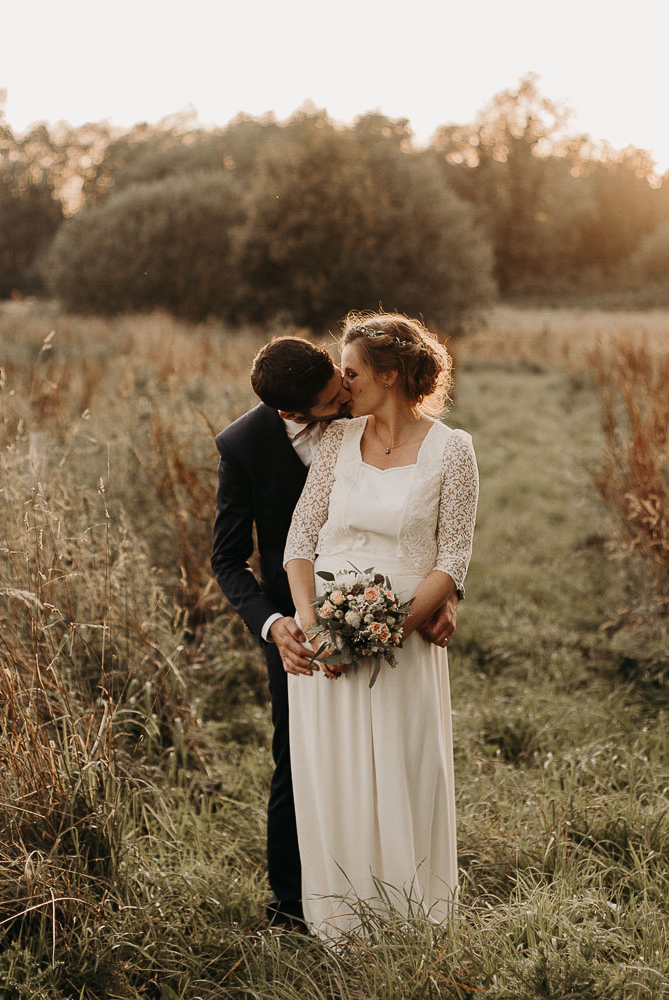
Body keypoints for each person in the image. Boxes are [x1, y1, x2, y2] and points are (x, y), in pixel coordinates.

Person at [211, 335, 459, 933]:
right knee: (297, 761)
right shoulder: (245, 445)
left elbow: (434, 521)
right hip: (295, 622)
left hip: (395, 608)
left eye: (344, 382)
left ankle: (394, 884)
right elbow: (227, 559)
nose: (345, 394)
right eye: (332, 397)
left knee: (395, 752)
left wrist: (444, 596)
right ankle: (294, 904)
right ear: (295, 412)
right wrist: (280, 626)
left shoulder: (356, 401)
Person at [282, 312, 479, 939]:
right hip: (326, 643)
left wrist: (391, 627)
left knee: (403, 766)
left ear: (389, 375)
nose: (343, 384)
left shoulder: (454, 450)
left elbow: (452, 560)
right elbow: (298, 541)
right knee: (335, 773)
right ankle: (341, 921)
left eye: (353, 372)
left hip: (405, 641)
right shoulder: (335, 440)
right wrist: (316, 627)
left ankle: (409, 919)